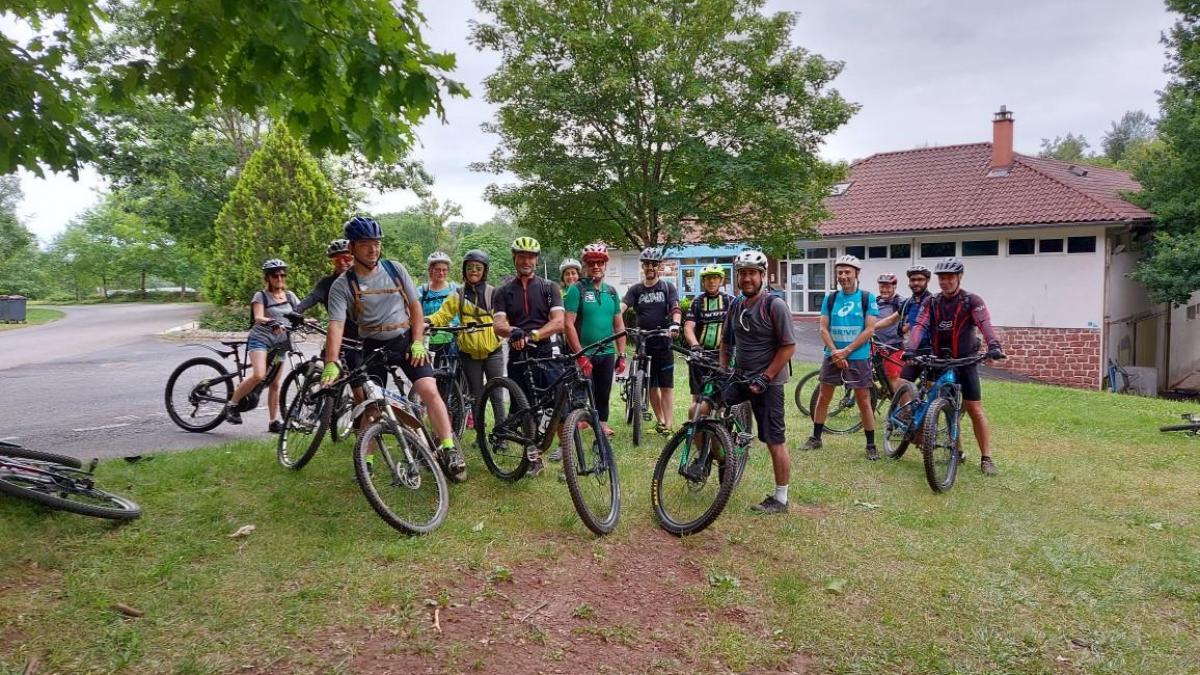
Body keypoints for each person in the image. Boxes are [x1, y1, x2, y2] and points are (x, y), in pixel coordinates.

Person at [319, 216, 466, 480]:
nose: (373, 249)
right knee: (372, 407)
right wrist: (331, 361)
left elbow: (415, 307)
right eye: (365, 244)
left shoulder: (395, 269)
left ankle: (449, 448)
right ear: (352, 247)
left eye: (376, 243)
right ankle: (368, 461)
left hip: (405, 340)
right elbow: (336, 326)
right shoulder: (343, 285)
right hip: (372, 347)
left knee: (429, 390)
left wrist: (418, 341)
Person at [904, 257, 1006, 476]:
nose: (945, 282)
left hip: (965, 361)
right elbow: (920, 324)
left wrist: (994, 346)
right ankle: (955, 450)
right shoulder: (931, 302)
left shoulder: (971, 300)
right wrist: (911, 348)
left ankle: (986, 457)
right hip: (939, 360)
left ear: (959, 277)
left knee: (974, 409)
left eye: (950, 277)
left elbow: (984, 323)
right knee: (944, 406)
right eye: (942, 278)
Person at [719, 250, 795, 514]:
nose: (747, 278)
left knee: (774, 439)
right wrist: (723, 369)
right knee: (701, 408)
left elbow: (788, 347)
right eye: (743, 274)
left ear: (762, 276)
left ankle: (781, 499)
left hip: (769, 382)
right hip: (741, 375)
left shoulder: (775, 305)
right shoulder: (735, 305)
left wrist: (766, 376)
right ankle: (711, 460)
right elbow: (725, 343)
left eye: (752, 273)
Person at [492, 236, 565, 477]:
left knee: (558, 406)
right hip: (518, 355)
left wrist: (534, 335)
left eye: (531, 256)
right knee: (526, 410)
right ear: (514, 258)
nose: (526, 260)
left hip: (546, 353)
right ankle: (533, 458)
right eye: (521, 256)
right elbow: (499, 324)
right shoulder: (503, 292)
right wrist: (513, 331)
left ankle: (568, 457)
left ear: (536, 260)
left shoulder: (549, 287)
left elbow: (558, 322)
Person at [801, 254, 880, 459]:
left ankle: (870, 445)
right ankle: (816, 437)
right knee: (823, 397)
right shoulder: (831, 298)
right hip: (832, 355)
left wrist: (846, 351)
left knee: (863, 401)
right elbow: (823, 327)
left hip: (858, 356)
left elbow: (869, 330)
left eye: (847, 272)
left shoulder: (867, 298)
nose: (843, 276)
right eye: (840, 273)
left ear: (857, 274)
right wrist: (836, 352)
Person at [425, 250, 505, 429]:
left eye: (478, 268)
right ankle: (480, 433)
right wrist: (429, 320)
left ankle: (502, 433)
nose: (474, 271)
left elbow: (503, 317)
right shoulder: (458, 295)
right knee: (476, 395)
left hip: (493, 352)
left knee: (497, 394)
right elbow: (443, 315)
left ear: (484, 271)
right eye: (470, 268)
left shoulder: (494, 293)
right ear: (464, 270)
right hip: (469, 354)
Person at [561, 243, 626, 447]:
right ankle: (573, 432)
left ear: (606, 265)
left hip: (606, 352)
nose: (596, 266)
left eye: (600, 263)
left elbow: (619, 324)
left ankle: (601, 427)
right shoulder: (576, 289)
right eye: (591, 263)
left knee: (603, 392)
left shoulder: (612, 292)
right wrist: (579, 354)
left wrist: (622, 354)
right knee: (579, 395)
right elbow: (568, 324)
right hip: (584, 353)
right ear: (586, 266)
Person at [226, 259, 301, 432]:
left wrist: (308, 321)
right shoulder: (260, 296)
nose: (280, 278)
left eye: (283, 275)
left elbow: (299, 312)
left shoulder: (289, 296)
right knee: (259, 375)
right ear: (267, 278)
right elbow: (259, 317)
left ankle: (273, 421)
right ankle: (232, 405)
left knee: (275, 384)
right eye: (276, 275)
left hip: (280, 344)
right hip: (260, 340)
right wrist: (272, 322)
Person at [622, 247, 681, 435]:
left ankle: (669, 424)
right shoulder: (636, 289)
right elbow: (622, 307)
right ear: (643, 267)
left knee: (666, 386)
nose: (650, 268)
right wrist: (614, 321)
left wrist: (675, 325)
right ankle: (660, 420)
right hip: (643, 343)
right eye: (647, 264)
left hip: (663, 343)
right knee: (651, 386)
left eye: (653, 264)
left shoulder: (667, 288)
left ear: (659, 267)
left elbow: (675, 308)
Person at [683, 264, 735, 419]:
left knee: (724, 394)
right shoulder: (697, 302)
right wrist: (695, 346)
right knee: (697, 394)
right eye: (708, 279)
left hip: (724, 355)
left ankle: (722, 427)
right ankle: (697, 429)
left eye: (715, 278)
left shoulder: (730, 301)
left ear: (721, 281)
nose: (711, 281)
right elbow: (688, 326)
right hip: (701, 354)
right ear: (703, 282)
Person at [418, 251, 458, 365]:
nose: (441, 273)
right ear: (430, 270)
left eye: (444, 270)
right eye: (438, 269)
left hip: (451, 340)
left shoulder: (454, 289)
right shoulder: (422, 291)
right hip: (428, 340)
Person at [897, 264, 933, 386]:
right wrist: (871, 327)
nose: (916, 283)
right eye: (913, 280)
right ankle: (907, 406)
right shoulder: (909, 302)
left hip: (932, 351)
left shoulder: (934, 301)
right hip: (915, 351)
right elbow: (891, 319)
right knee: (902, 384)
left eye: (920, 279)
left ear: (927, 281)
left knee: (930, 386)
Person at [873, 272, 906, 394]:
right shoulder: (875, 302)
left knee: (893, 377)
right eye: (882, 286)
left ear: (894, 287)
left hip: (893, 345)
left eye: (887, 287)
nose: (884, 290)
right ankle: (882, 388)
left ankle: (900, 405)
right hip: (876, 345)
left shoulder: (900, 302)